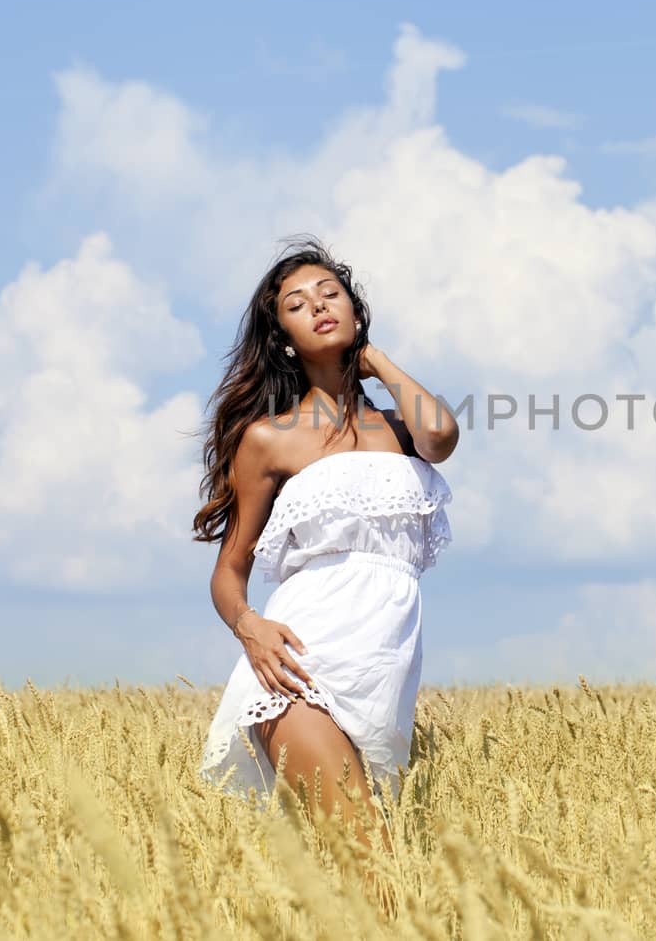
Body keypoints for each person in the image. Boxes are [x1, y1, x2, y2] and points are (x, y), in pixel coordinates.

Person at [193, 236, 458, 854]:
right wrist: (250, 628)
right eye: (296, 303)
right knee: (371, 856)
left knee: (378, 864)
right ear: (283, 336)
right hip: (298, 664)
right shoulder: (270, 440)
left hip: (384, 660)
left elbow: (442, 436)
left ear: (356, 313)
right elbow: (229, 570)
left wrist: (380, 363)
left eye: (330, 293)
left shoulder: (401, 429)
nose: (318, 306)